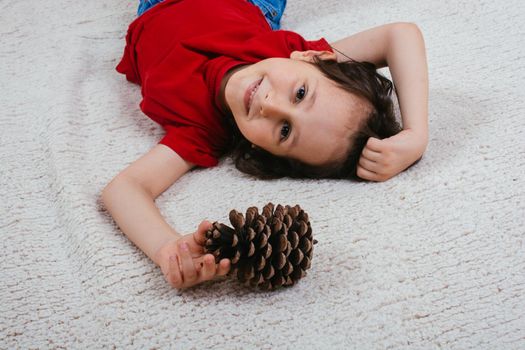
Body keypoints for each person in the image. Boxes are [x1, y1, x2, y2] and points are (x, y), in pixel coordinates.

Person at [102, 0, 428, 289]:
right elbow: (399, 34)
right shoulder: (281, 50)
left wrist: (167, 248)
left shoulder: (199, 130)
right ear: (310, 57)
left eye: (284, 131)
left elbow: (125, 189)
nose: (270, 105)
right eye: (300, 94)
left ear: (261, 151)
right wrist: (415, 135)